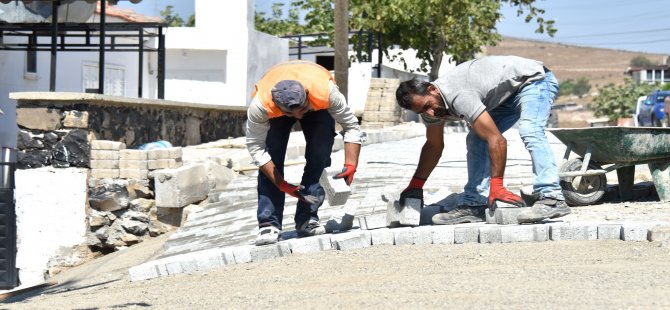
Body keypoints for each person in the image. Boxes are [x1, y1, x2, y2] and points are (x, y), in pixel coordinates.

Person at [395, 55, 570, 225]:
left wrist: (497, 186)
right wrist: (415, 185)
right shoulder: (430, 109)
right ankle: (475, 203)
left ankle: (552, 197)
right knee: (476, 139)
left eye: (428, 106)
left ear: (432, 89)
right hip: (504, 96)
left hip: (533, 80)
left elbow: (497, 140)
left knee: (530, 129)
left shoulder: (460, 95)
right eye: (422, 112)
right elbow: (433, 146)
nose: (430, 114)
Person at [246, 60, 363, 245]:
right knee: (271, 158)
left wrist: (351, 165)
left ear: (307, 95)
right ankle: (269, 224)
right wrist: (282, 184)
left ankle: (307, 218)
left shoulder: (327, 92)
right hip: (278, 112)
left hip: (317, 103)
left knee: (320, 152)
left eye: (302, 109)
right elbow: (256, 148)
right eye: (292, 114)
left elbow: (352, 127)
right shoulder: (261, 105)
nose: (299, 116)